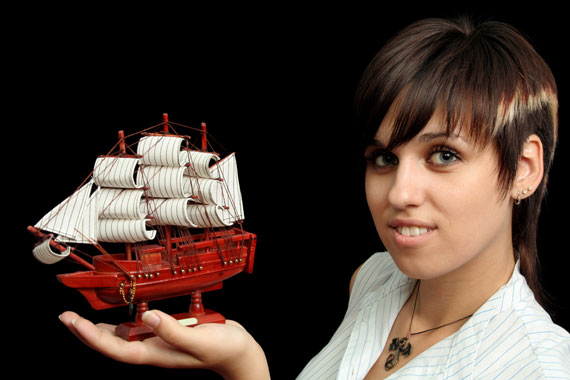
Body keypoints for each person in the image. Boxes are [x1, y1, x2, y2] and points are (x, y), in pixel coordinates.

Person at [59, 17, 570, 379]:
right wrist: (244, 366)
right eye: (384, 159)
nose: (400, 193)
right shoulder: (372, 281)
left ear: (523, 169)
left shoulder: (541, 367)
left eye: (443, 155)